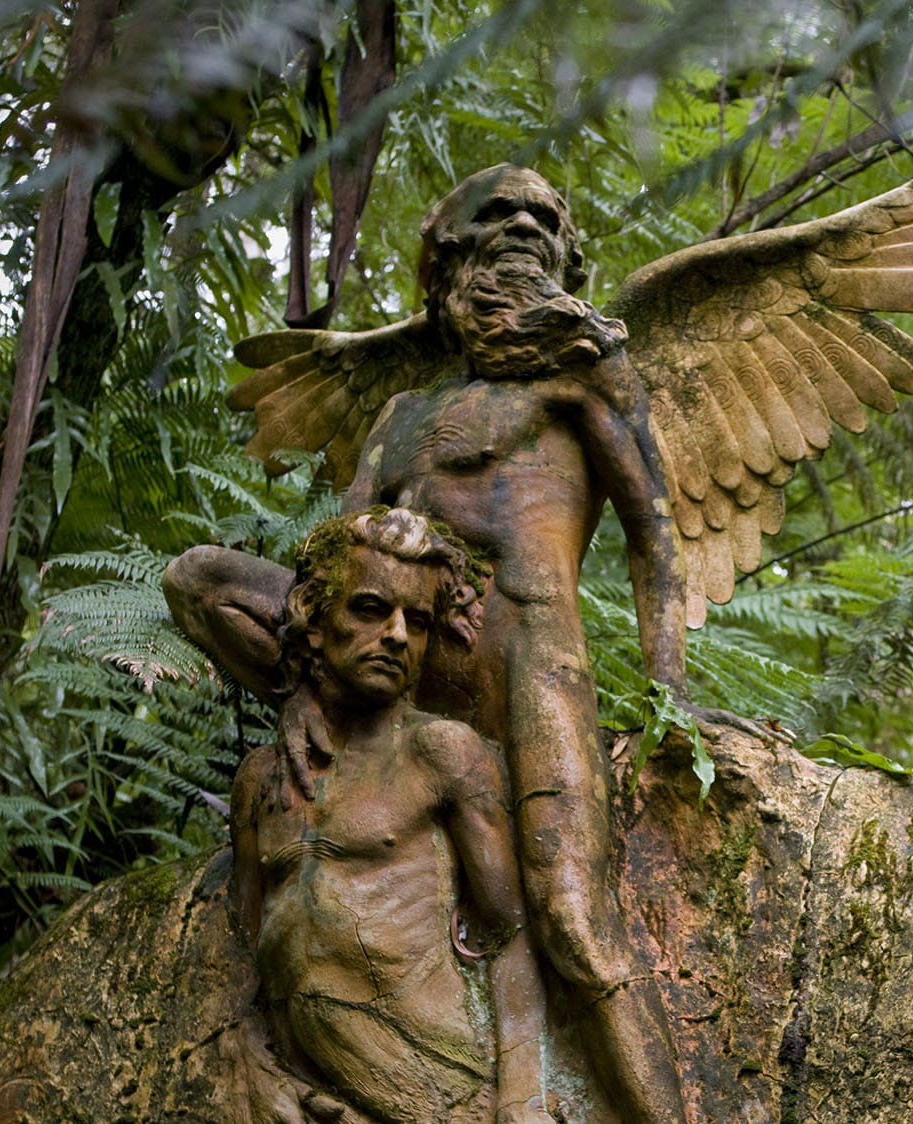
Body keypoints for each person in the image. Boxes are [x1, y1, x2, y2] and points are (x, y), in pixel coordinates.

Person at [168, 165, 692, 1122]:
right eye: (500, 213)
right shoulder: (400, 417)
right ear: (449, 249)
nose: (526, 226)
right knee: (198, 580)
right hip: (397, 681)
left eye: (547, 217)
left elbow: (654, 533)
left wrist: (670, 695)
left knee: (575, 925)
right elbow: (339, 564)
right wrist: (302, 693)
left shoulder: (583, 367)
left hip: (528, 665)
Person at [230, 507, 554, 1124]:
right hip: (315, 1089)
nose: (399, 635)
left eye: (420, 621)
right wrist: (262, 1066)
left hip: (436, 1076)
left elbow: (510, 931)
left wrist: (522, 1092)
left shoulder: (442, 755)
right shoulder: (260, 780)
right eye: (371, 610)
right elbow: (244, 949)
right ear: (316, 622)